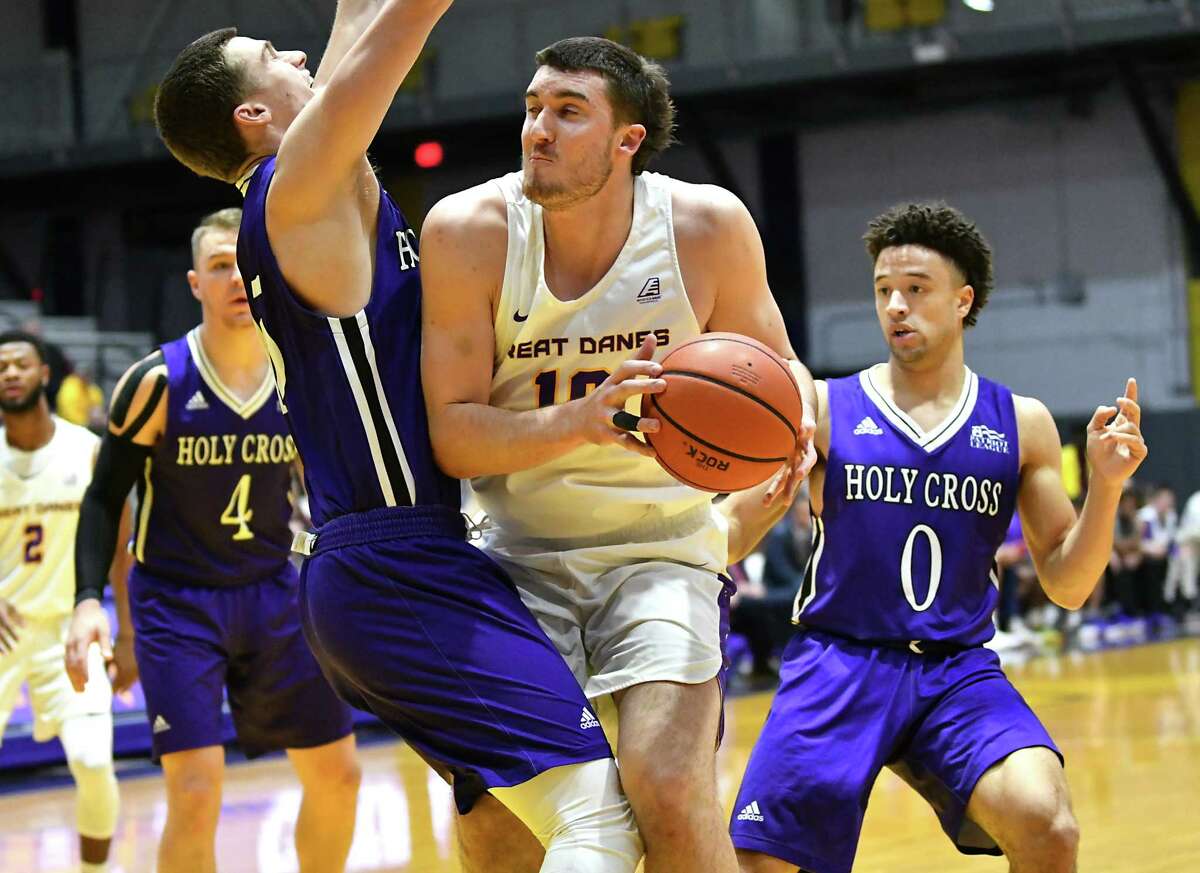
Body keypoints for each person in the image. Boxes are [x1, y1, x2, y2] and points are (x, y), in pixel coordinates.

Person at [150, 6, 644, 872]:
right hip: (395, 565)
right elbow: (399, 31)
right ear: (253, 119)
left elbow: (350, 39)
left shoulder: (308, 192)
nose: (297, 53)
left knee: (511, 828)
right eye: (271, 54)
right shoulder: (296, 188)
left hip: (392, 560)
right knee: (597, 819)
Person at [419, 36, 816, 873]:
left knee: (667, 786)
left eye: (568, 113)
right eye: (532, 109)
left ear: (627, 139)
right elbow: (453, 434)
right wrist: (584, 419)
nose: (538, 130)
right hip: (513, 558)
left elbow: (778, 373)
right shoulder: (470, 230)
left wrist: (798, 426)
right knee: (500, 824)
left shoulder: (705, 226)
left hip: (662, 547)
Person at [729, 202, 1147, 873]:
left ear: (962, 301)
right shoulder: (825, 407)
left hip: (955, 670)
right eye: (882, 291)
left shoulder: (1022, 424)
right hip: (840, 660)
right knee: (762, 861)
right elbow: (728, 540)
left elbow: (1069, 585)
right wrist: (760, 493)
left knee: (1049, 825)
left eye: (916, 289)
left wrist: (1106, 485)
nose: (895, 305)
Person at [66, 209, 361, 873]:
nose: (236, 276)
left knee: (340, 775)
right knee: (196, 793)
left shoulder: (301, 380)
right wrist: (92, 600)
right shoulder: (155, 382)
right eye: (220, 265)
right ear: (196, 282)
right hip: (177, 600)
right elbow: (104, 497)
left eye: (245, 262)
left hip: (275, 591)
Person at [0, 329, 128, 873]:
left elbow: (119, 545)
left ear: (44, 374)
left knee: (95, 760)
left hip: (68, 631)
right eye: (1, 367)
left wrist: (130, 634)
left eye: (20, 364)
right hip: (3, 631)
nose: (10, 373)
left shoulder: (87, 447)